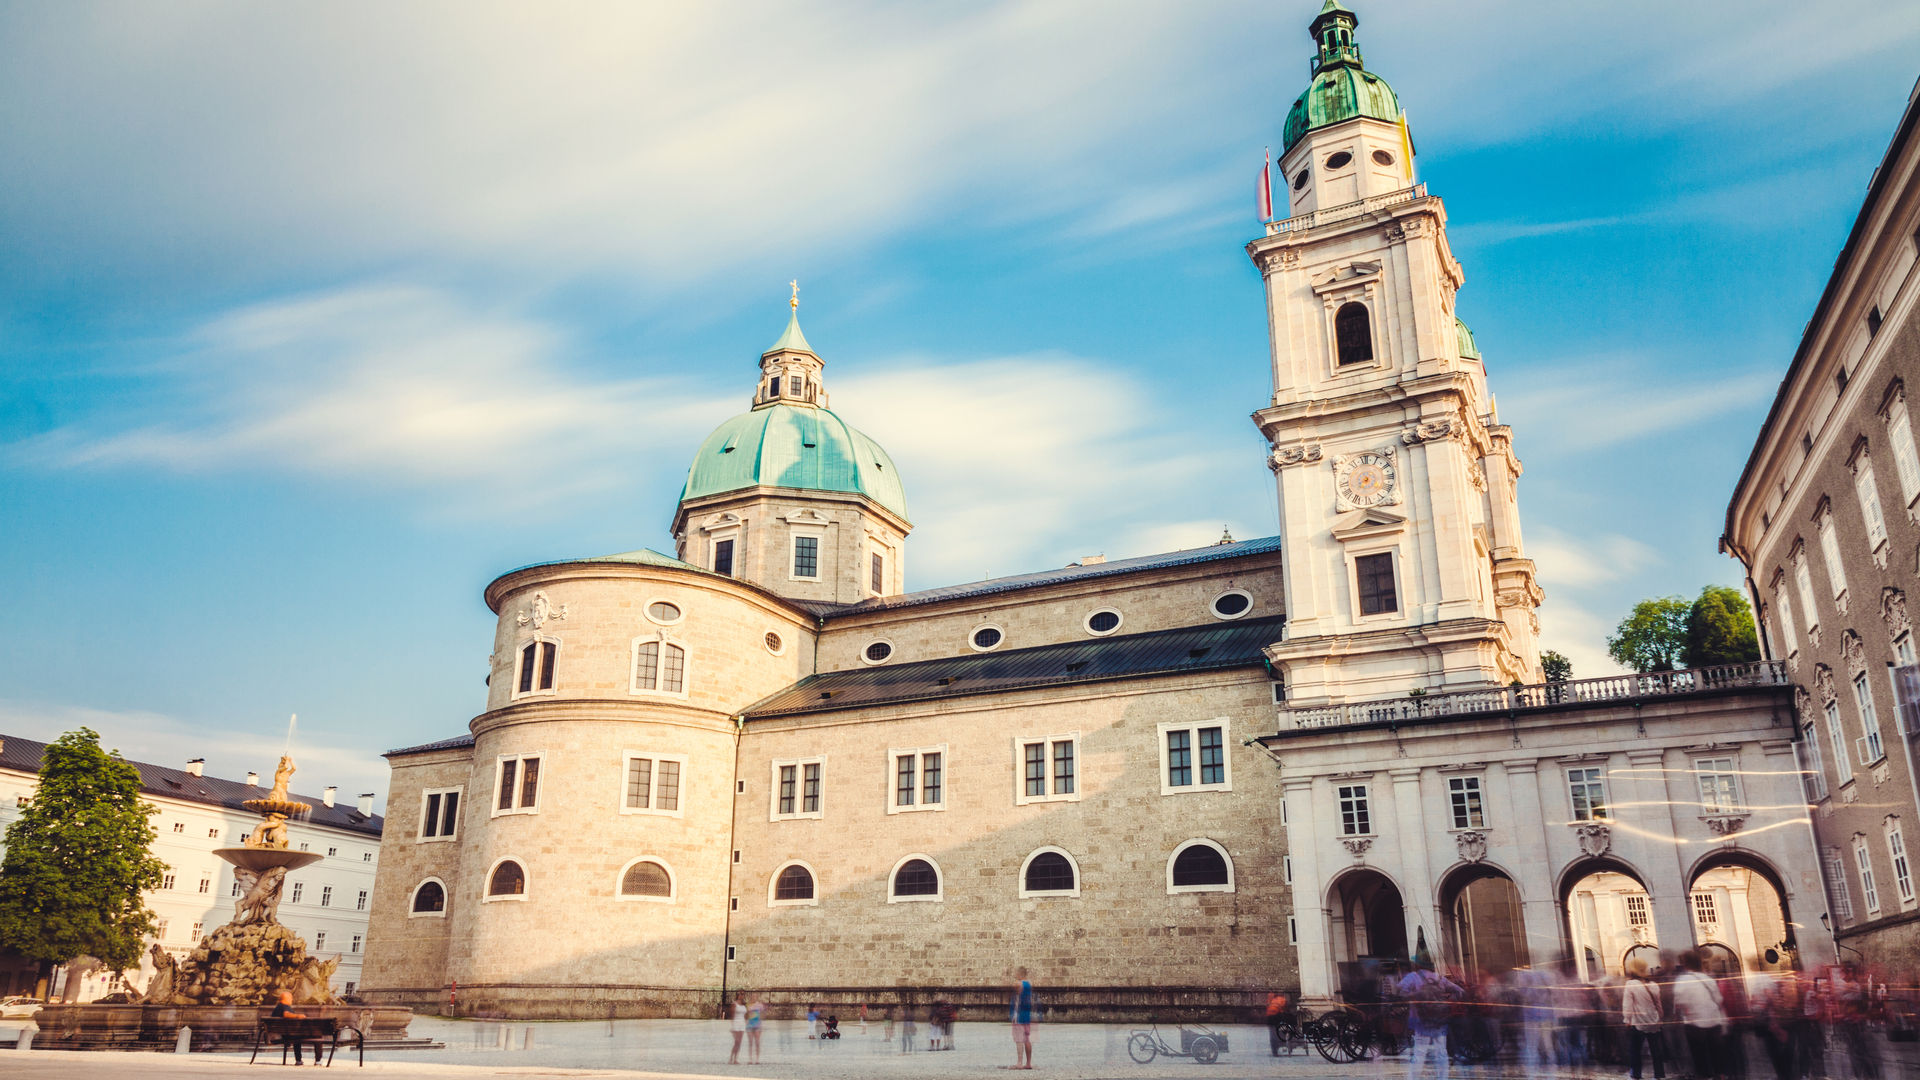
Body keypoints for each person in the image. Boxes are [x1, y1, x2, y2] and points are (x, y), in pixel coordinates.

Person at [1396, 952, 1463, 1080]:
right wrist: (1449, 1002)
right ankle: (1443, 1078)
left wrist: (1414, 996)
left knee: (1419, 1053)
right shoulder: (1439, 978)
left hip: (1421, 1022)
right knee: (1442, 1053)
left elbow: (1400, 991)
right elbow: (1459, 991)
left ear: (1417, 964)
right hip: (1439, 1021)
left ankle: (1413, 1078)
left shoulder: (1413, 977)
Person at [1672, 950, 1728, 1080]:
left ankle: (1706, 1076)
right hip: (1714, 1022)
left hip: (1695, 1025)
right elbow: (1719, 999)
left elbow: (1679, 1003)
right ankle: (1720, 1076)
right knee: (1716, 1057)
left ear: (1685, 964)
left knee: (1700, 1058)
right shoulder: (1708, 979)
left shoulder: (1682, 980)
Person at [1623, 957, 1666, 1080]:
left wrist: (1627, 1020)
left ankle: (1636, 1075)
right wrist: (1660, 1018)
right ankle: (1659, 1075)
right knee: (1656, 1050)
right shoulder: (1653, 985)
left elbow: (1627, 1005)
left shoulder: (1630, 984)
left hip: (1638, 1022)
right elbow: (1658, 1004)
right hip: (1654, 1020)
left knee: (1635, 1050)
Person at [269, 989, 322, 1066]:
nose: (292, 1000)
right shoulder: (284, 1006)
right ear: (286, 999)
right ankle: (318, 1060)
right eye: (291, 998)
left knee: (297, 1035)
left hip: (287, 1034)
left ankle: (298, 1060)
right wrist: (297, 1016)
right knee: (317, 1035)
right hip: (289, 1034)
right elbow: (286, 1014)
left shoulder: (278, 1007)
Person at [1009, 967, 1035, 1069]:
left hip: (1018, 1014)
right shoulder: (1029, 984)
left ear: (1020, 974)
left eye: (1016, 973)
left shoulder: (1019, 984)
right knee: (1027, 1039)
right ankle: (1028, 1063)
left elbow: (1015, 985)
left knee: (1019, 1039)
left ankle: (1019, 1063)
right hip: (1027, 1014)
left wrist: (1017, 980)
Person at [1266, 990, 1292, 1056]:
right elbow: (1286, 1010)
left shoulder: (1273, 1000)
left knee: (1272, 1033)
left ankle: (1274, 1050)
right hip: (1277, 1016)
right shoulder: (1283, 1000)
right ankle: (1284, 1043)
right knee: (1283, 1029)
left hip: (1269, 1018)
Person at [728, 994, 747, 1064]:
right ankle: (731, 1058)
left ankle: (736, 1059)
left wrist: (746, 1023)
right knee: (736, 1042)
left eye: (743, 994)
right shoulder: (734, 1004)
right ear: (738, 995)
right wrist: (732, 1026)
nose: (741, 996)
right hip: (736, 1023)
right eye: (740, 994)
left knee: (739, 1043)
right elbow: (732, 1015)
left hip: (742, 1024)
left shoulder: (744, 1005)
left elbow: (745, 1015)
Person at [746, 995, 764, 1064]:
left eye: (755, 997)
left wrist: (761, 1024)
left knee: (757, 1042)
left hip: (757, 1025)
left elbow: (762, 1015)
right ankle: (750, 1059)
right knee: (750, 1042)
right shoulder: (748, 1005)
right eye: (752, 997)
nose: (753, 998)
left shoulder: (760, 1005)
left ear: (757, 998)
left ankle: (757, 1059)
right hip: (750, 1025)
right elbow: (746, 1015)